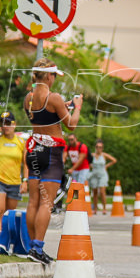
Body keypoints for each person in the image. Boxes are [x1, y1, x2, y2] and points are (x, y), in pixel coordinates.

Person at [23, 59, 82, 266]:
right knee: (47, 203)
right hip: (51, 152)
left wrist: (62, 107)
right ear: (49, 76)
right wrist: (77, 107)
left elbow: (43, 117)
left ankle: (31, 246)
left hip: (33, 149)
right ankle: (37, 247)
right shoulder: (54, 97)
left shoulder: (28, 98)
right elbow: (71, 125)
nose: (54, 79)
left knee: (33, 202)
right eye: (54, 76)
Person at [0, 111, 28, 237]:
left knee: (9, 214)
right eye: (2, 124)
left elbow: (26, 163)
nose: (5, 126)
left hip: (14, 182)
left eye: (8, 123)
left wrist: (25, 181)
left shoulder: (20, 142)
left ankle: (5, 241)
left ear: (14, 124)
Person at [87, 139, 117, 214]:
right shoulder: (92, 155)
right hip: (94, 175)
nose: (98, 149)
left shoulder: (104, 155)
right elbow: (87, 161)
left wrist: (106, 166)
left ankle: (104, 208)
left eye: (100, 147)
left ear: (102, 148)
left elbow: (114, 160)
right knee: (95, 192)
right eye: (97, 147)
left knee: (102, 191)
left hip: (102, 175)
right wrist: (90, 166)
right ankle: (95, 209)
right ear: (95, 147)